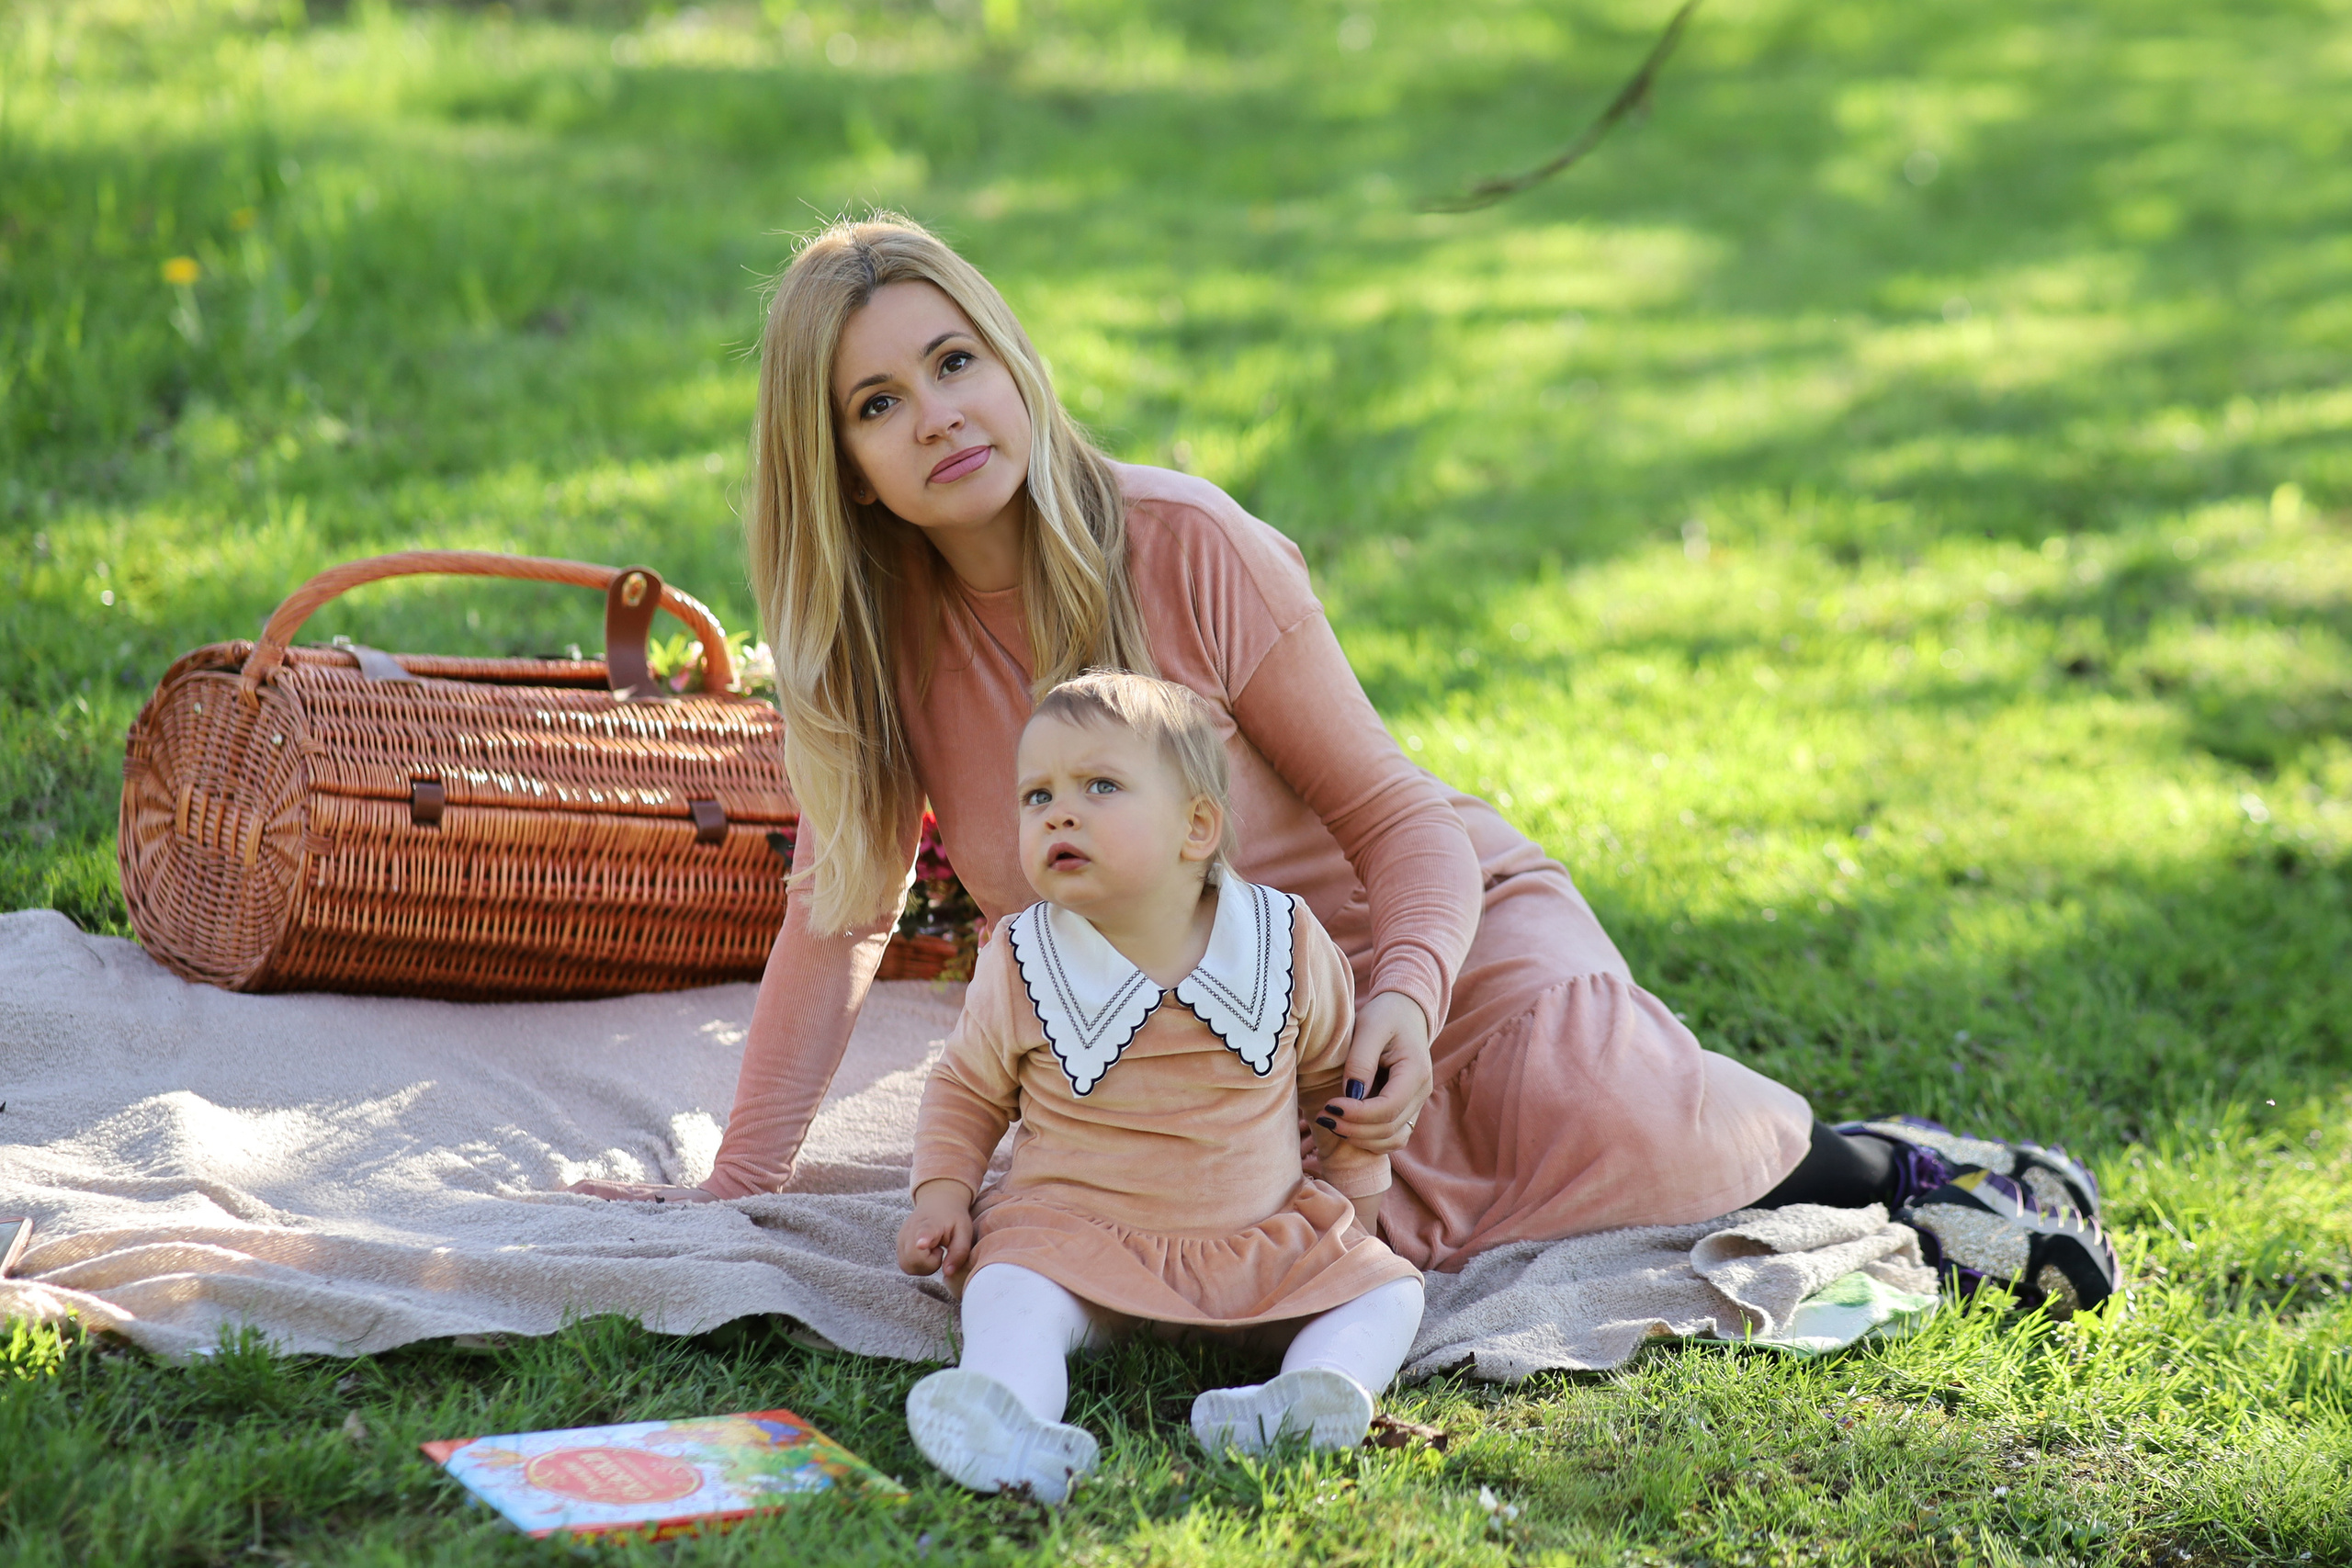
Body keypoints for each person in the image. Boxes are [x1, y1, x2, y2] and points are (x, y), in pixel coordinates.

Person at [570, 214, 2118, 1318]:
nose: (939, 417)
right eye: (879, 404)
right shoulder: (874, 650)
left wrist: (1406, 1002)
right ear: (842, 465)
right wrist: (740, 1185)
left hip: (1426, 957)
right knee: (1195, 1249)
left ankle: (1905, 1174)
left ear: (1013, 361)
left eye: (954, 360)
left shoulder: (1188, 543)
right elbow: (839, 912)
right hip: (1205, 1047)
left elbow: (1401, 818)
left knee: (1617, 1121)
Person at [895, 670, 1424, 1501]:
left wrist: (1356, 1220)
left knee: (1388, 1291)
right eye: (1037, 795)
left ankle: (1305, 1396)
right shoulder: (1025, 959)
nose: (1059, 813)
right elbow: (967, 1088)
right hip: (1074, 1241)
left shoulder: (1282, 942)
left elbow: (1337, 1090)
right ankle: (1010, 1412)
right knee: (1007, 1289)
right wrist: (942, 1195)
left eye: (1100, 786)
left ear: (1196, 827)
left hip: (1253, 1246)